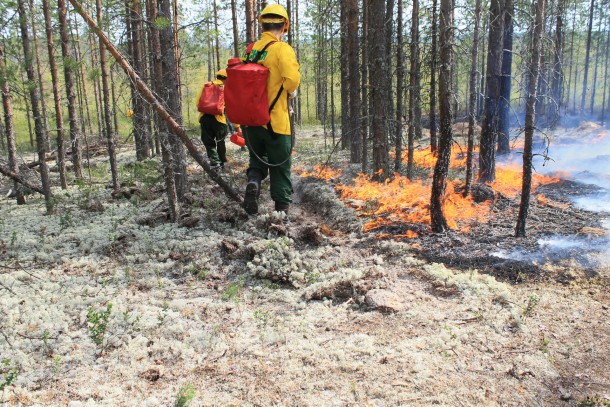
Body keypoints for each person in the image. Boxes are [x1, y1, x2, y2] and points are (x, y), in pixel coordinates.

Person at [242, 4, 300, 215]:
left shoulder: (250, 50)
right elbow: (292, 81)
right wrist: (290, 93)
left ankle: (254, 182)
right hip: (275, 122)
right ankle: (281, 213)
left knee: (256, 161)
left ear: (263, 24)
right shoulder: (282, 49)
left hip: (251, 122)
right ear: (284, 26)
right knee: (280, 167)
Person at [197, 69, 230, 171]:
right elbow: (230, 107)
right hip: (219, 120)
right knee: (220, 142)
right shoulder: (225, 89)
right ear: (226, 79)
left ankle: (214, 163)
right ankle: (222, 164)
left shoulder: (206, 86)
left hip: (205, 118)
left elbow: (197, 102)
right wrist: (236, 127)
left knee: (208, 142)